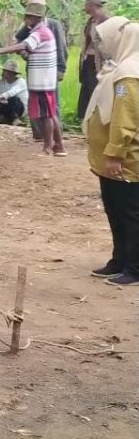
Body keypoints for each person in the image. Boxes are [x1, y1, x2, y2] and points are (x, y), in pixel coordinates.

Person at [83, 16, 139, 286]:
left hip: (126, 161)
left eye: (105, 41)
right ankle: (119, 260)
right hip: (112, 161)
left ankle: (134, 268)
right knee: (116, 211)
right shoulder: (118, 70)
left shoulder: (129, 73)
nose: (102, 47)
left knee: (129, 214)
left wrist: (116, 153)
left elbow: (124, 119)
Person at [0, 0, 67, 156]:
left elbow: (23, 45)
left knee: (47, 115)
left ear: (37, 18)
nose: (26, 19)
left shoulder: (41, 33)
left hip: (43, 82)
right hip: (43, 81)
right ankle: (59, 146)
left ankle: (48, 147)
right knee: (50, 113)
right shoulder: (38, 31)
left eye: (29, 17)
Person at [12, 0, 68, 141]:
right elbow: (18, 41)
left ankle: (56, 136)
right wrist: (24, 53)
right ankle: (38, 134)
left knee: (51, 103)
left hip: (49, 70)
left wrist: (61, 69)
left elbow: (61, 48)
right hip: (34, 69)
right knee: (35, 101)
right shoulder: (29, 26)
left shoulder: (52, 25)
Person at [78, 0, 110, 121]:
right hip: (88, 61)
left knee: (95, 92)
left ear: (92, 5)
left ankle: (97, 121)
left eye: (86, 3)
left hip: (99, 64)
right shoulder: (90, 21)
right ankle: (87, 121)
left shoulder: (107, 22)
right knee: (86, 91)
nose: (84, 6)